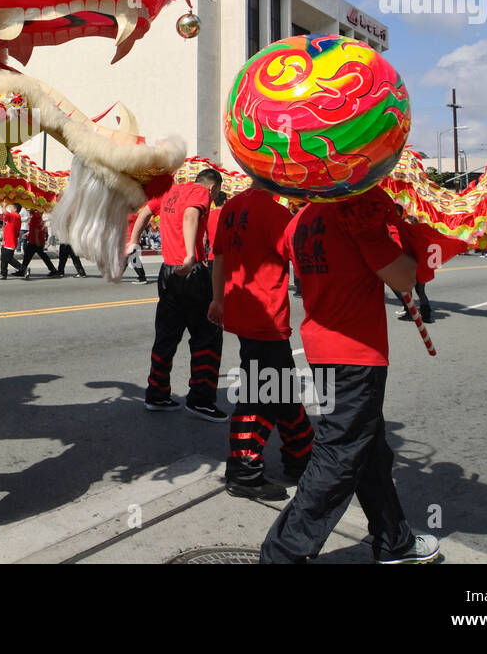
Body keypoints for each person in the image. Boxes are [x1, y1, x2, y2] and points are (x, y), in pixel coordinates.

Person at [261, 186, 439, 564]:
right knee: (339, 457)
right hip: (357, 356)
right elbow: (404, 279)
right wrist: (401, 237)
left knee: (370, 450)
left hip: (322, 351)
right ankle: (280, 555)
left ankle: (395, 539)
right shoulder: (357, 213)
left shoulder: (300, 221)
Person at [209, 186, 311, 501]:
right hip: (267, 316)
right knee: (262, 395)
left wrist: (217, 300)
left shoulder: (231, 208)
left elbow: (220, 256)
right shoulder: (278, 215)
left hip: (241, 311)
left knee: (283, 389)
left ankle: (301, 457)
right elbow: (302, 264)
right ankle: (244, 473)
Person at [131, 167, 227, 420]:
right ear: (213, 187)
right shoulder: (200, 192)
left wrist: (133, 240)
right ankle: (201, 399)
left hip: (167, 272)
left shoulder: (170, 191)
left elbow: (146, 212)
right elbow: (190, 216)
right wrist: (190, 254)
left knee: (166, 335)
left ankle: (157, 393)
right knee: (208, 336)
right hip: (190, 272)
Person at [391, 207, 434, 324]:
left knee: (420, 291)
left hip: (418, 268)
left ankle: (425, 315)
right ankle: (411, 310)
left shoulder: (415, 236)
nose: (406, 226)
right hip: (411, 267)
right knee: (408, 290)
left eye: (408, 224)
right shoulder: (407, 234)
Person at [19, 209, 59, 277]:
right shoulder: (36, 215)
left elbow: (37, 229)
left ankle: (22, 270)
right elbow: (36, 228)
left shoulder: (36, 216)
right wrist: (28, 233)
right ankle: (53, 270)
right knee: (34, 256)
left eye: (28, 208)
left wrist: (37, 240)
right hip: (35, 240)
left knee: (28, 256)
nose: (27, 209)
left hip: (35, 241)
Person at [0, 203, 25, 279]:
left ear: (15, 209)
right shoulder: (13, 217)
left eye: (11, 208)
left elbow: (5, 212)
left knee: (8, 259)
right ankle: (3, 274)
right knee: (4, 259)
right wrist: (2, 206)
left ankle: (24, 269)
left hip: (10, 242)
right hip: (7, 241)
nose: (10, 209)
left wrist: (4, 205)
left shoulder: (15, 216)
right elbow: (5, 216)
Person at [123, 209, 149, 283]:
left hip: (132, 240)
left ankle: (142, 278)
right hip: (129, 240)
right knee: (127, 258)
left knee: (133, 259)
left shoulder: (132, 215)